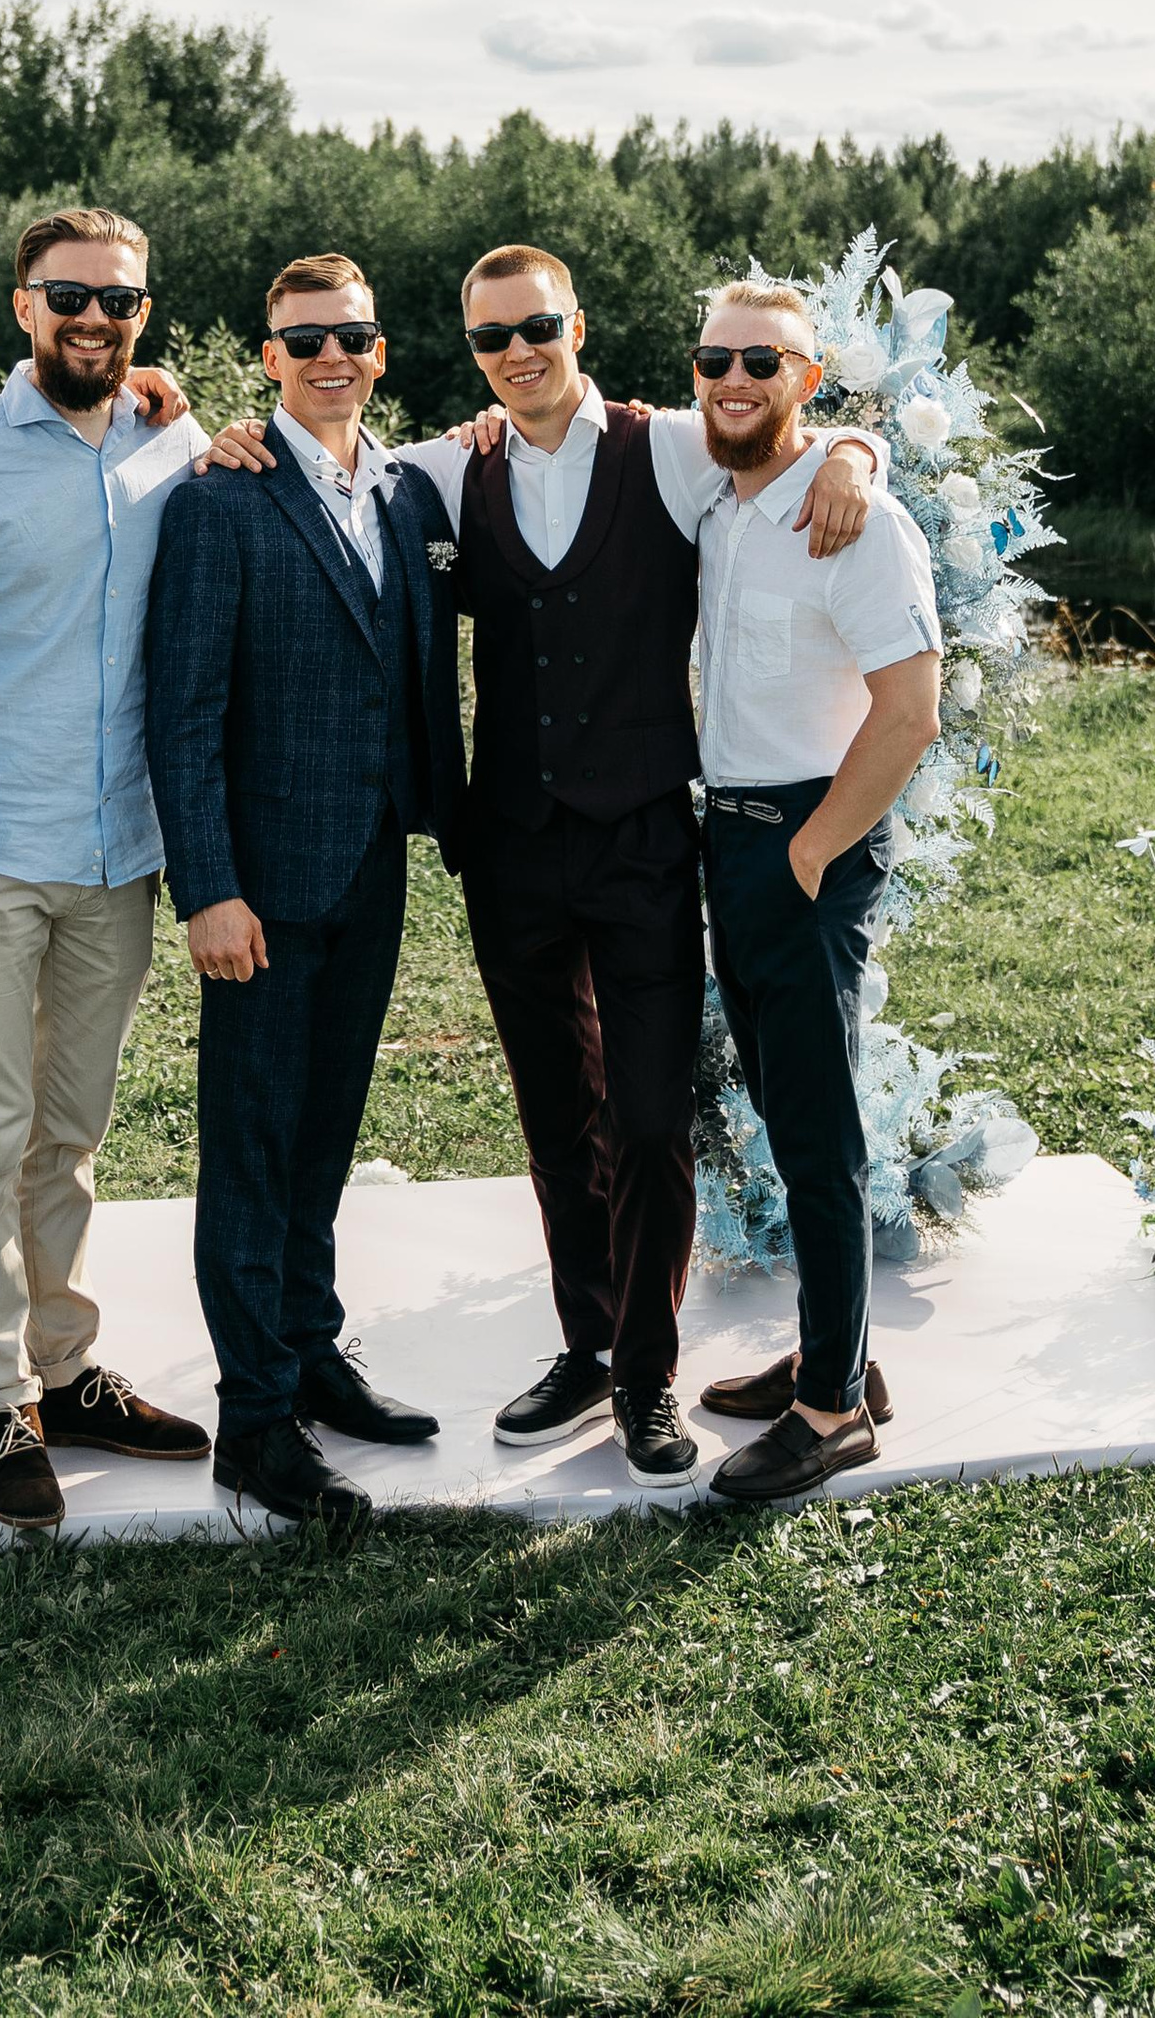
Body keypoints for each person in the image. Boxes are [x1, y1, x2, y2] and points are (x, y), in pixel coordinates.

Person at [201, 246, 880, 1486]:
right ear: (467, 354)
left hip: (642, 847)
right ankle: (587, 1344)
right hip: (508, 848)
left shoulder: (666, 446)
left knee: (652, 1117)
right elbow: (321, 462)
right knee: (556, 1117)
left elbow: (773, 424)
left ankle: (648, 1379)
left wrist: (852, 453)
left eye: (538, 325)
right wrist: (215, 430)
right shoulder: (444, 472)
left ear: (577, 324)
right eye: (491, 337)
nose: (518, 351)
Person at [0, 207, 213, 1537]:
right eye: (70, 295)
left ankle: (68, 1373)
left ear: (143, 313)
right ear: (23, 303)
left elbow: (326, 451)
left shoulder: (168, 442)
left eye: (119, 301)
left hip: (119, 857)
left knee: (70, 1138)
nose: (95, 318)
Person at [142, 253, 464, 1531]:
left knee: (326, 1130)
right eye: (304, 338)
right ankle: (255, 1419)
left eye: (354, 335)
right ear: (267, 356)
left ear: (381, 351)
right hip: (259, 891)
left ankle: (312, 1352)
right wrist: (208, 889)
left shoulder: (400, 488)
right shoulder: (220, 498)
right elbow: (181, 714)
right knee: (254, 1144)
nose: (332, 355)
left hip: (369, 862)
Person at [685, 279, 942, 1506]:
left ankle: (833, 1413)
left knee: (817, 1126)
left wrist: (808, 853)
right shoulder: (726, 500)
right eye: (713, 361)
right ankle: (836, 1356)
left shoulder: (858, 522)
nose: (734, 381)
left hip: (804, 840)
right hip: (731, 835)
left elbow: (909, 714)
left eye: (762, 363)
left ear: (810, 375)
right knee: (790, 1107)